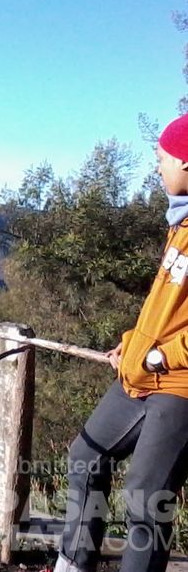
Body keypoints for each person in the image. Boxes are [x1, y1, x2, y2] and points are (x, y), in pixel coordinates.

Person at [56, 113, 188, 572]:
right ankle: (72, 564)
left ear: (186, 162)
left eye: (161, 158)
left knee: (146, 501)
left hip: (180, 385)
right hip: (143, 372)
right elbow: (166, 307)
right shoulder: (182, 224)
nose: (157, 167)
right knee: (85, 455)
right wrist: (133, 344)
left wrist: (156, 355)